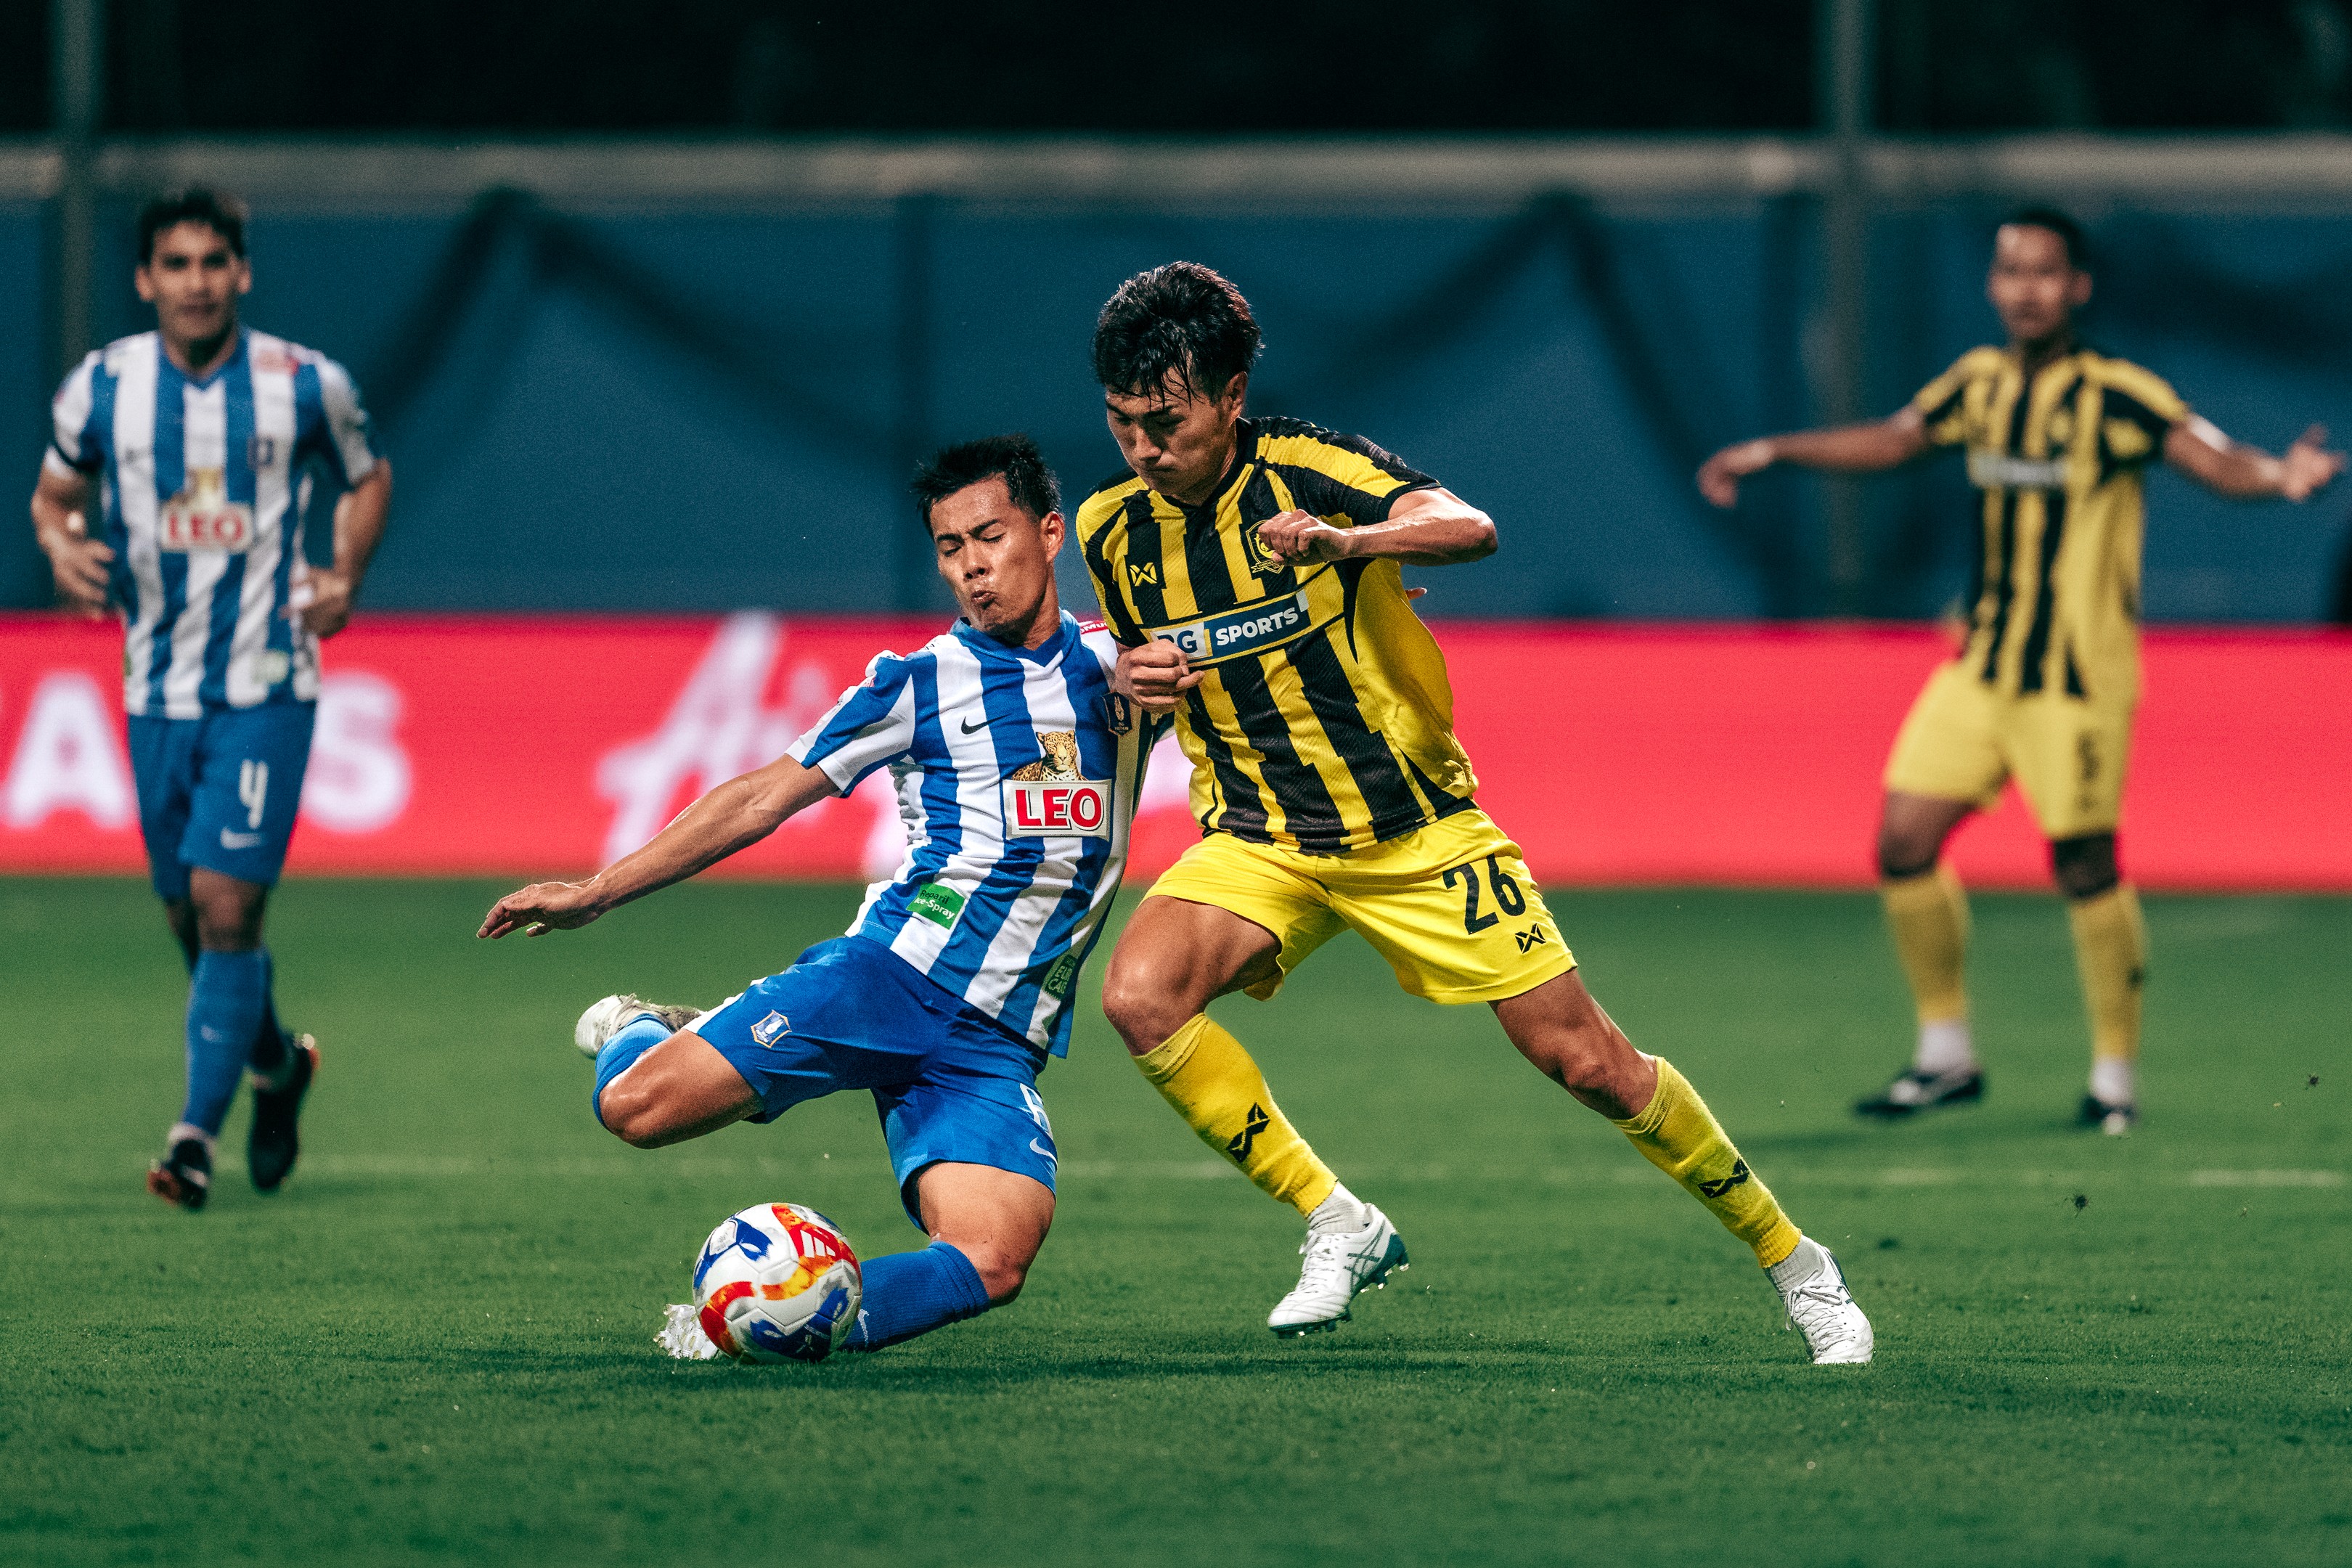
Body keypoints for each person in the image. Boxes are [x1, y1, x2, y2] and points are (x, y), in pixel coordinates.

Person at [1074, 262, 1870, 1363]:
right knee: (1140, 996)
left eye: (1164, 422)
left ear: (1231, 395)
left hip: (1415, 830)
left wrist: (1353, 545)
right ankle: (1337, 1221)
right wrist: (1139, 685)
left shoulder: (1307, 466)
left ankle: (1799, 1264)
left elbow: (1469, 524)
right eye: (1121, 424)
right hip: (1262, 838)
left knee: (1590, 1064)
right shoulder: (1111, 529)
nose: (1143, 449)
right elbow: (1151, 666)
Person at [478, 436, 1159, 1354]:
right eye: (950, 548)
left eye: (989, 537)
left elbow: (1261, 661)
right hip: (888, 981)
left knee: (995, 1257)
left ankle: (763, 1327)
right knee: (636, 1112)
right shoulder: (917, 684)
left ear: (1048, 533)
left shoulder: (1127, 673)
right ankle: (639, 1025)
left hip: (999, 1033)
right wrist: (599, 892)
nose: (972, 567)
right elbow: (762, 795)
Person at [1699, 206, 2343, 1135]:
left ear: (2078, 286)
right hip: (1984, 666)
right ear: (1995, 286)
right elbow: (1896, 439)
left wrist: (2279, 475)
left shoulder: (2117, 391)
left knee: (2083, 864)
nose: (2026, 289)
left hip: (2078, 681)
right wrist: (1775, 450)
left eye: (2046, 272)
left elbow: (2207, 455)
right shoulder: (1980, 383)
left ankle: (2114, 1077)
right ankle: (1945, 1055)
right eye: (2010, 271)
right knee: (1903, 844)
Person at [29, 187, 391, 1208]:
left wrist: (344, 575)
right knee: (193, 921)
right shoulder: (100, 389)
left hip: (269, 683)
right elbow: (53, 496)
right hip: (155, 691)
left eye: (212, 263)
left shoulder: (303, 384)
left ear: (241, 272)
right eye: (174, 265)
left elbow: (370, 478)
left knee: (229, 909)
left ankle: (193, 1139)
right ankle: (279, 1068)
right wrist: (61, 545)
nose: (195, 283)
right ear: (147, 279)